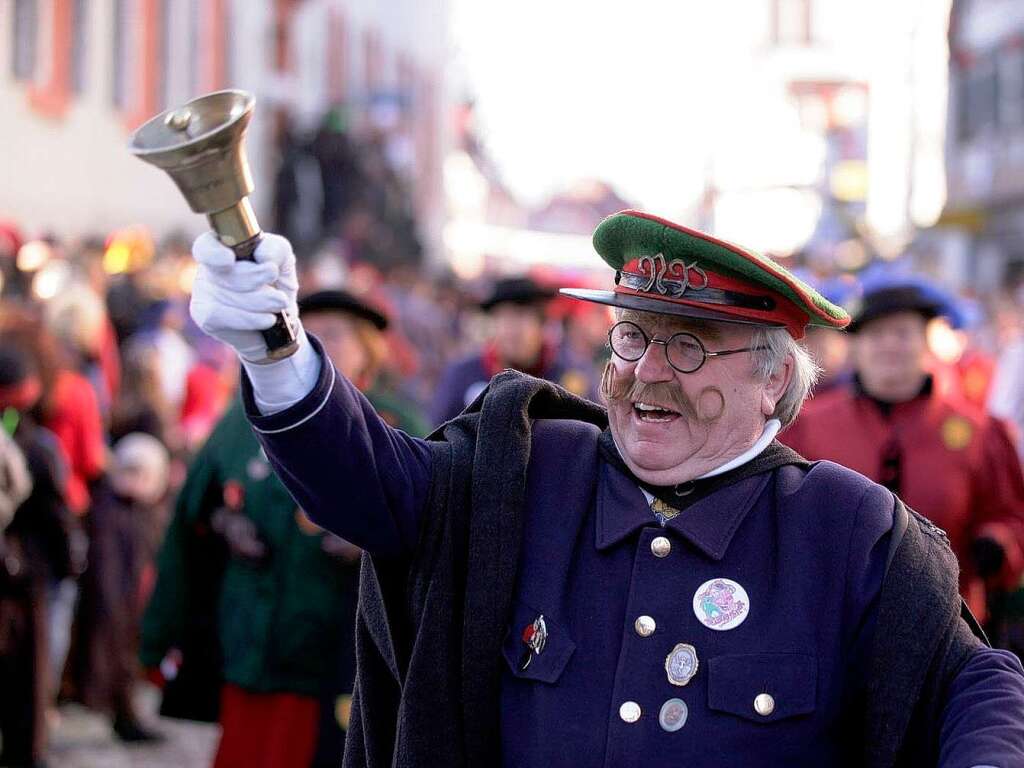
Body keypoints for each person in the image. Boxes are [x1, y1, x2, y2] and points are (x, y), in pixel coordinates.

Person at [188, 213, 1024, 766]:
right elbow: (363, 483)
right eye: (633, 337)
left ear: (774, 383)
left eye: (690, 346)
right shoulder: (522, 471)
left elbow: (976, 680)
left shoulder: (847, 529)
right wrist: (276, 354)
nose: (647, 373)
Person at [141, 287, 427, 768]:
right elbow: (194, 514)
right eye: (306, 331)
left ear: (367, 348)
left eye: (334, 334)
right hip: (251, 646)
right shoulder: (248, 415)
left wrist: (372, 543)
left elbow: (429, 531)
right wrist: (225, 523)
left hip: (337, 662)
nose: (318, 343)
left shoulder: (397, 424)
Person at [782, 279, 1024, 624]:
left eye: (902, 333)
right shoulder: (807, 425)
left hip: (948, 624)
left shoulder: (979, 433)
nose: (889, 345)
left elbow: (1011, 516)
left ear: (927, 342)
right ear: (856, 346)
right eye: (876, 334)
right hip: (831, 623)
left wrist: (997, 544)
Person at [430, 276, 592, 424]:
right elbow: (439, 437)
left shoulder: (569, 377)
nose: (512, 331)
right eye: (504, 318)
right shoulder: (462, 375)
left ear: (541, 324)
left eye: (521, 317)